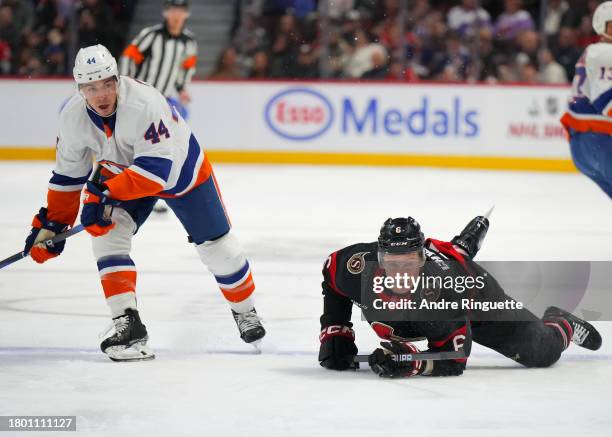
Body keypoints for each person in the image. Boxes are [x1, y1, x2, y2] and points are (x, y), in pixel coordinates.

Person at [23, 44, 265, 362]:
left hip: (181, 171)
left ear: (117, 79)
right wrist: (53, 223)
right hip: (120, 169)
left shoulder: (145, 103)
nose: (102, 94)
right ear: (80, 89)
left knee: (220, 250)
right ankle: (128, 325)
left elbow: (154, 174)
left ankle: (245, 310)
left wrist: (101, 194)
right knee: (107, 234)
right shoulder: (72, 118)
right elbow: (68, 177)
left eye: (107, 83)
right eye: (92, 87)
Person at [318, 216, 601, 377]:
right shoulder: (355, 267)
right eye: (393, 262)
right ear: (378, 259)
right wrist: (336, 332)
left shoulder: (443, 292)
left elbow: (455, 358)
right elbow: (331, 275)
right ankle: (460, 247)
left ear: (422, 260)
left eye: (410, 262)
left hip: (475, 298)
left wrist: (413, 363)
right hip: (447, 268)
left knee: (540, 352)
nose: (401, 270)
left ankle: (559, 323)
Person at [120, 0, 197, 213]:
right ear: (165, 12)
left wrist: (182, 88)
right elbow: (129, 56)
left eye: (180, 11)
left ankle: (154, 188)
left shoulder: (188, 41)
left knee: (165, 145)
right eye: (172, 10)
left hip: (165, 100)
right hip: (141, 98)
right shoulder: (151, 35)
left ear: (186, 14)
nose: (176, 14)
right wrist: (128, 85)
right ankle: (125, 186)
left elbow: (186, 68)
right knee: (134, 142)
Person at [561, 1, 612, 199]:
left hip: (584, 146)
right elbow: (605, 104)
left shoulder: (596, 53)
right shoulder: (600, 52)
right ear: (601, 26)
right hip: (598, 140)